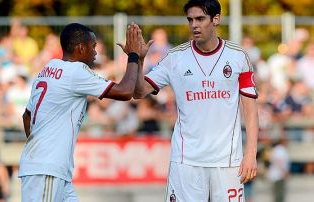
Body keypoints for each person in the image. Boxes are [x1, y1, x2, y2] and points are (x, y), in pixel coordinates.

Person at [130, 0, 259, 201]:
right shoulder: (174, 57)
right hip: (186, 161)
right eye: (190, 20)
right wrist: (137, 60)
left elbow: (250, 109)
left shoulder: (238, 56)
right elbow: (139, 92)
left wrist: (251, 153)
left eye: (200, 19)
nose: (194, 25)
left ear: (216, 19)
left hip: (227, 161)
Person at [18, 22, 152, 201]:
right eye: (93, 47)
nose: (96, 52)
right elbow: (126, 91)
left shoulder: (47, 69)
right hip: (47, 169)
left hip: (53, 169)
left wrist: (39, 150)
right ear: (81, 48)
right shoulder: (76, 71)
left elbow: (27, 116)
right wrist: (133, 56)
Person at [267, 137, 290, 202]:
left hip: (276, 175)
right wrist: (284, 172)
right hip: (279, 175)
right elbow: (278, 161)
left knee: (277, 195)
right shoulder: (281, 149)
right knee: (279, 195)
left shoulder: (276, 149)